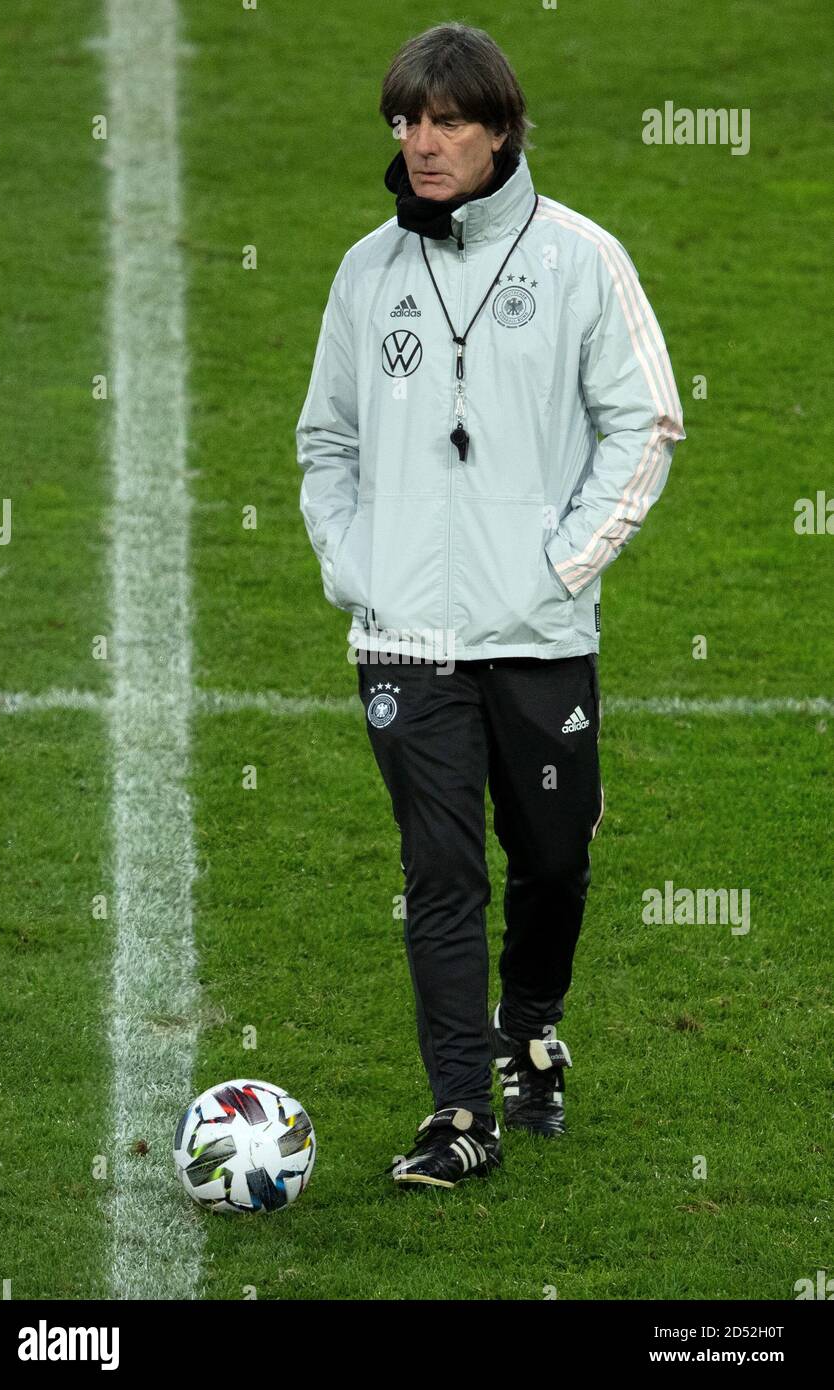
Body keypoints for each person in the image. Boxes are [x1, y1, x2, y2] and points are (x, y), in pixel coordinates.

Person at [295, 22, 685, 1188]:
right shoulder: (367, 271)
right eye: (407, 121)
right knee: (440, 869)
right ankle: (461, 1111)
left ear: (500, 129)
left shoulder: (578, 260)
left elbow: (647, 422)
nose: (421, 141)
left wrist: (561, 568)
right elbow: (327, 438)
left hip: (539, 632)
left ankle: (531, 1030)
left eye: (447, 120)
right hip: (402, 636)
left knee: (552, 859)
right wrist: (356, 565)